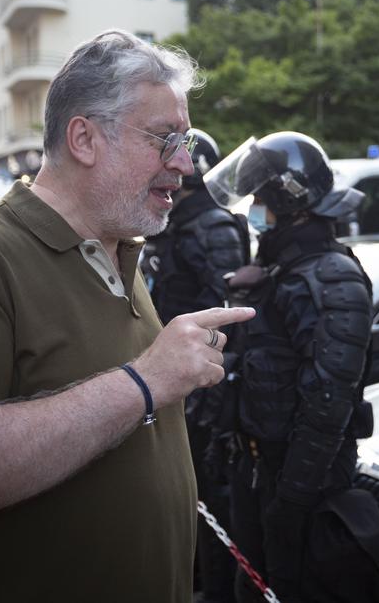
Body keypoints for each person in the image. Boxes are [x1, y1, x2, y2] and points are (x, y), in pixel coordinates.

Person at [0, 29, 254, 603]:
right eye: (164, 139)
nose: (184, 163)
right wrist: (145, 382)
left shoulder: (118, 249)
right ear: (84, 138)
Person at [205, 131, 379, 602]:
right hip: (258, 469)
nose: (254, 210)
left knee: (293, 587)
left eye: (261, 199)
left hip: (304, 484)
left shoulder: (332, 277)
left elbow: (328, 404)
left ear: (293, 203)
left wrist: (292, 501)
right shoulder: (282, 268)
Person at [145, 128, 248, 603]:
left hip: (202, 388)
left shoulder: (210, 225)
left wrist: (209, 397)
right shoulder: (175, 222)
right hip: (174, 379)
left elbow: (225, 318)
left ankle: (214, 588)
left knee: (209, 499)